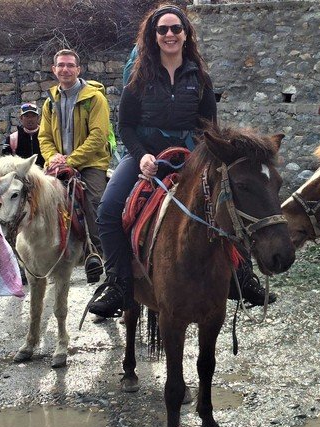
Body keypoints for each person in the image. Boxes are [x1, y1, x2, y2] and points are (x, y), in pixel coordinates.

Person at [88, 4, 275, 319]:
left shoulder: (200, 76)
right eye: (163, 30)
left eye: (176, 29)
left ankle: (242, 278)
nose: (170, 34)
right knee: (107, 211)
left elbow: (209, 127)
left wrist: (208, 157)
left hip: (192, 155)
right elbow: (126, 126)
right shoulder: (139, 75)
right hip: (145, 154)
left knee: (231, 196)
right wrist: (142, 155)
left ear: (186, 34)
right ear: (154, 35)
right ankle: (119, 284)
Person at [39, 48, 115, 284]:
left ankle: (96, 253)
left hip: (91, 162)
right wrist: (52, 158)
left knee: (95, 201)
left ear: (78, 69)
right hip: (59, 162)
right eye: (61, 65)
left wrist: (70, 160)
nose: (65, 69)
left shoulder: (95, 98)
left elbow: (98, 136)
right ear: (54, 70)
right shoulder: (50, 101)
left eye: (70, 65)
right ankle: (43, 252)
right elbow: (44, 137)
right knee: (37, 198)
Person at [3, 103, 45, 167]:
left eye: (33, 116)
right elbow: (6, 162)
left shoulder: (46, 136)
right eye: (27, 116)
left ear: (38, 118)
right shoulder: (12, 139)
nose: (30, 119)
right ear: (21, 118)